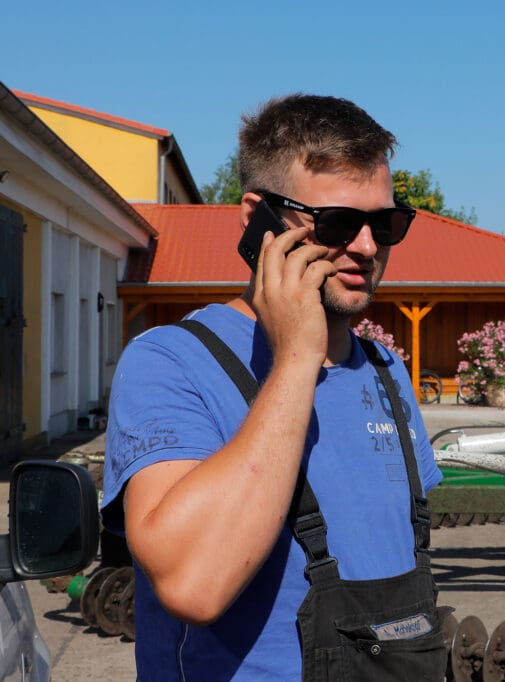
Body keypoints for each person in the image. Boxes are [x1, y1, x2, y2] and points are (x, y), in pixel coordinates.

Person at [102, 94, 445, 681]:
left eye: (386, 223)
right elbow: (193, 584)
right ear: (258, 219)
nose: (366, 246)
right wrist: (295, 360)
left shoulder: (387, 374)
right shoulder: (170, 361)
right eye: (338, 222)